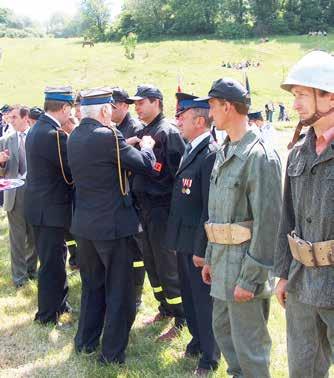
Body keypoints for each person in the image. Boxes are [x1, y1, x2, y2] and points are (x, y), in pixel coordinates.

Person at [199, 78, 282, 378]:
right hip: (222, 266)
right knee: (226, 339)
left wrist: (251, 279)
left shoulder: (260, 156)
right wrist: (210, 257)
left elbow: (269, 224)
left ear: (228, 106)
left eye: (212, 107)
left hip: (244, 271)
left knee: (250, 352)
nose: (210, 114)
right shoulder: (225, 150)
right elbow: (217, 213)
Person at [67, 88, 156, 365]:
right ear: (105, 111)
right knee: (120, 292)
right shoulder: (109, 136)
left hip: (84, 226)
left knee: (92, 287)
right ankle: (112, 354)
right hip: (113, 227)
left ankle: (85, 341)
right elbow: (143, 165)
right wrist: (149, 148)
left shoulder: (74, 136)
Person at [274, 50, 334, 378]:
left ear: (329, 96)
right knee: (303, 372)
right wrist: (283, 274)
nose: (295, 104)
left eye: (302, 95)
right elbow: (287, 218)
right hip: (301, 285)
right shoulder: (298, 152)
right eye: (294, 96)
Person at [166, 93, 220, 376]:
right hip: (183, 238)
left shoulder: (209, 153)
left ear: (200, 121)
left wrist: (202, 249)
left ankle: (210, 356)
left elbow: (207, 207)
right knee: (189, 295)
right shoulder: (191, 148)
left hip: (197, 242)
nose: (178, 122)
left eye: (183, 117)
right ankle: (198, 340)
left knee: (203, 299)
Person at [129, 84, 186, 340]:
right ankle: (165, 306)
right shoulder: (143, 131)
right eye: (136, 104)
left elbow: (178, 176)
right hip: (145, 209)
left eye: (141, 103)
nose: (137, 108)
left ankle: (182, 317)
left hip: (162, 209)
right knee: (152, 263)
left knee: (168, 265)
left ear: (156, 102)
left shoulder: (168, 132)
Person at [25, 86, 74, 325]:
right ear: (64, 108)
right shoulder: (54, 134)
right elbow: (69, 173)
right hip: (50, 209)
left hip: (40, 207)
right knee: (51, 263)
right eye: (70, 109)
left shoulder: (38, 129)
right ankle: (46, 314)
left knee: (55, 257)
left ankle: (60, 304)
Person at [111, 86, 145, 310]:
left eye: (113, 106)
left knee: (137, 252)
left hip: (134, 199)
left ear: (124, 105)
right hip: (120, 199)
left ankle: (137, 293)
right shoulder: (115, 127)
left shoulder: (135, 128)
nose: (110, 111)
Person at [0, 105, 37, 288]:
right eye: (10, 117)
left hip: (35, 191)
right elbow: (1, 173)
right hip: (14, 192)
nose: (10, 120)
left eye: (14, 117)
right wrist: (1, 162)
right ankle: (19, 277)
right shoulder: (5, 140)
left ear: (25, 118)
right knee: (17, 237)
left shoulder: (36, 137)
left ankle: (32, 270)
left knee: (33, 235)